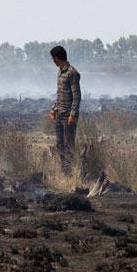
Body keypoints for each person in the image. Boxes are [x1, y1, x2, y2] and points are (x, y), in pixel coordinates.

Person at [49, 46, 81, 175]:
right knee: (60, 145)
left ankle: (70, 173)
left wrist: (73, 114)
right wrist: (54, 109)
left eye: (53, 58)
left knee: (69, 146)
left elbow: (77, 96)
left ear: (57, 58)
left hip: (68, 116)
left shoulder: (72, 72)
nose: (53, 61)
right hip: (59, 115)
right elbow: (60, 94)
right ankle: (64, 172)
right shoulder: (60, 72)